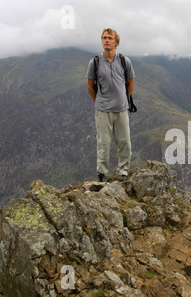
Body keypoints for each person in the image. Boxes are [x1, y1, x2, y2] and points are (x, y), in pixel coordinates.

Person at [86, 28, 135, 182]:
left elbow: (131, 83)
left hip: (121, 109)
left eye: (110, 38)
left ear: (116, 43)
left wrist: (122, 99)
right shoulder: (95, 62)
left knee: (124, 141)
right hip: (103, 110)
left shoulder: (124, 61)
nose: (106, 40)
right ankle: (102, 173)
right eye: (104, 38)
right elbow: (90, 86)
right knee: (103, 142)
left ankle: (123, 171)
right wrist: (100, 101)